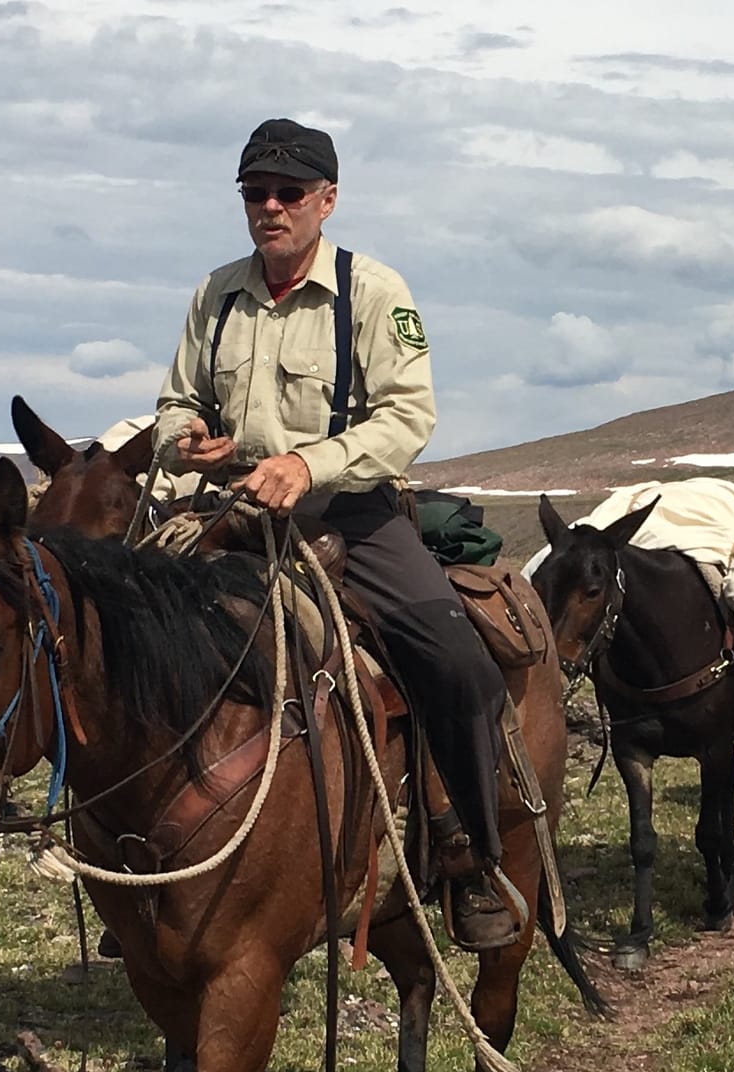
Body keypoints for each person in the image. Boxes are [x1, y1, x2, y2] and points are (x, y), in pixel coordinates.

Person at [153, 118, 523, 951]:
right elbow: (176, 397)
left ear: (327, 199)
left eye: (289, 193)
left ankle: (471, 852)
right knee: (116, 631)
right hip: (230, 510)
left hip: (349, 515)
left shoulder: (374, 292)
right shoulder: (214, 295)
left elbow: (408, 418)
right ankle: (143, 854)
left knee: (455, 659)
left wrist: (310, 466)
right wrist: (184, 439)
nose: (270, 208)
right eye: (256, 193)